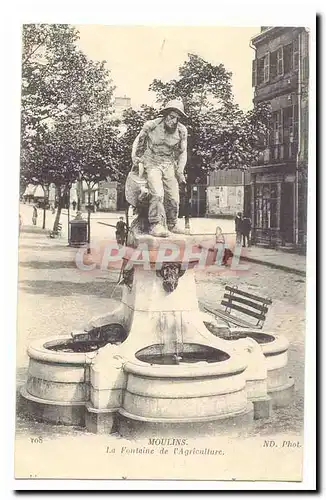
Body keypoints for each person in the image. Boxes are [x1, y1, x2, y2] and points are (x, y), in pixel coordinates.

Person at [131, 99, 188, 237]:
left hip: (168, 163)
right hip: (151, 161)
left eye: (177, 118)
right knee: (157, 193)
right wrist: (135, 159)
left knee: (174, 197)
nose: (173, 121)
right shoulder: (151, 125)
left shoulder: (181, 131)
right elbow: (138, 142)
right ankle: (155, 224)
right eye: (171, 116)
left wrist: (180, 171)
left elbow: (183, 152)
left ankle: (172, 223)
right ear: (165, 114)